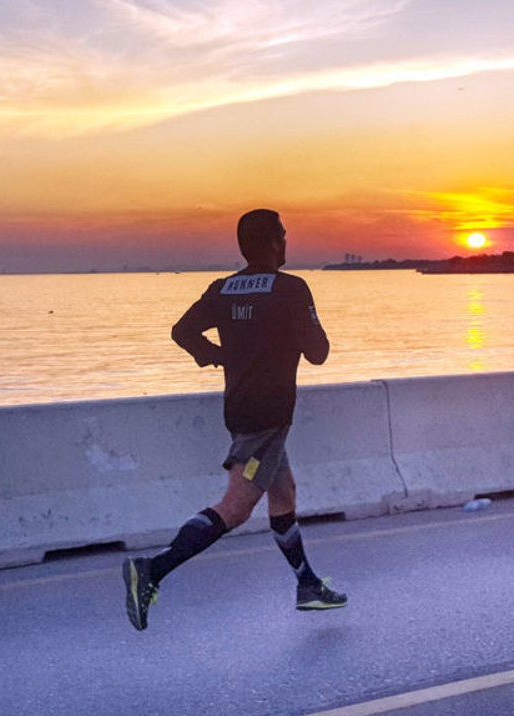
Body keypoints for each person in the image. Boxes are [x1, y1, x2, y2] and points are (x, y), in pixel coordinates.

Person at [121, 208, 346, 632]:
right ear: (275, 243)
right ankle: (152, 569)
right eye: (283, 235)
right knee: (237, 507)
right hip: (267, 417)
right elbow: (318, 352)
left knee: (284, 495)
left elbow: (182, 331)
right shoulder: (291, 289)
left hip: (243, 409)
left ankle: (308, 585)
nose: (287, 241)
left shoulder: (224, 289)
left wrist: (218, 356)